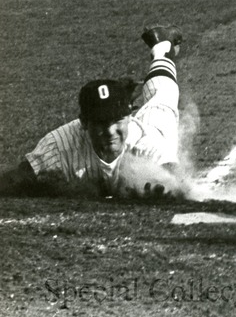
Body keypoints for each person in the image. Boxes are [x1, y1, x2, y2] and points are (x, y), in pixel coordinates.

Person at [0, 24, 187, 199]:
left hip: (150, 127)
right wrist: (54, 188)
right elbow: (16, 179)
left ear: (129, 115)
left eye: (116, 120)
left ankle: (161, 47)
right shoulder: (60, 145)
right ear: (83, 122)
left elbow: (176, 180)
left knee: (162, 96)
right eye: (100, 122)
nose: (110, 131)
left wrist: (161, 188)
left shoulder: (148, 141)